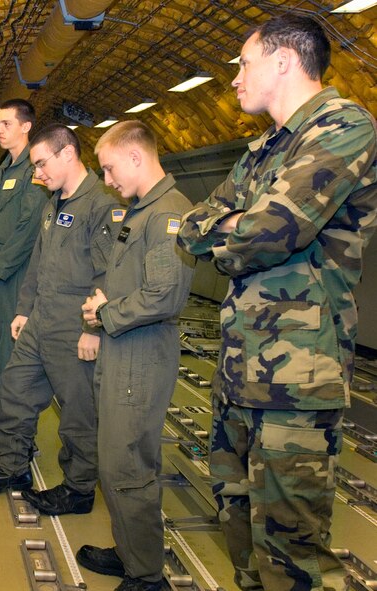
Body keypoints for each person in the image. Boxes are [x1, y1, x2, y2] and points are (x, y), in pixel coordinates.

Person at [176, 14, 377, 591]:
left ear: (284, 60)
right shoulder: (264, 149)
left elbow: (273, 231)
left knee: (292, 553)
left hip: (298, 379)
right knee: (239, 531)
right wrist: (234, 228)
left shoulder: (345, 127)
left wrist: (234, 229)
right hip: (240, 370)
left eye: (244, 63)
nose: (235, 78)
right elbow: (191, 227)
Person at [0, 124, 124, 516]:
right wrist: (23, 309)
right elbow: (38, 262)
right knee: (15, 389)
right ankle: (11, 467)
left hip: (75, 322)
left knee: (77, 409)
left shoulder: (101, 203)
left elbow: (110, 274)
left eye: (41, 163)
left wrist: (93, 329)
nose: (38, 174)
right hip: (41, 319)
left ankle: (79, 488)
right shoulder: (54, 203)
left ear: (68, 154)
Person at [76, 121, 195, 591]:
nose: (107, 180)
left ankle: (146, 575)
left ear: (135, 157)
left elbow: (165, 295)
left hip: (141, 355)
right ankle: (130, 552)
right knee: (114, 460)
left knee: (129, 466)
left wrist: (107, 312)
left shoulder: (169, 214)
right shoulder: (141, 212)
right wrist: (102, 306)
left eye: (109, 169)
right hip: (122, 348)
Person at [0, 99, 49, 445]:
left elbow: (28, 228)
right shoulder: (2, 170)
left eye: (6, 124)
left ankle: (18, 441)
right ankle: (4, 424)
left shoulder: (35, 169)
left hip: (16, 280)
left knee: (14, 361)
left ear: (26, 126)